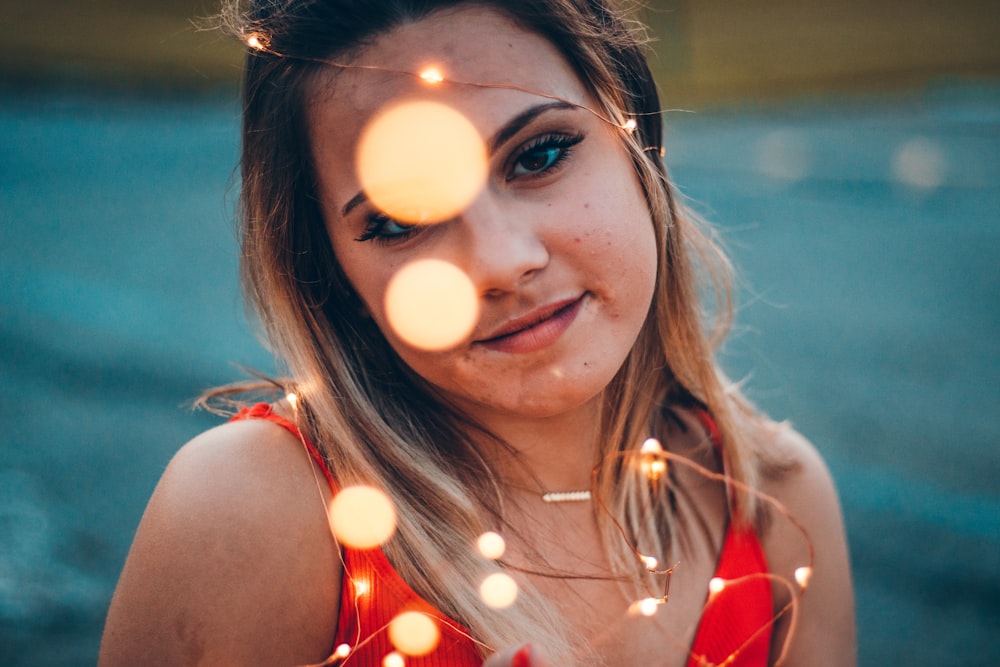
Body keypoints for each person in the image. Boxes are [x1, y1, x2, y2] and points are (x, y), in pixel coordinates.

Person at [99, 1, 856, 665]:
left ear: (636, 140)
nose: (501, 262)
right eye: (401, 220)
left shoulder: (777, 502)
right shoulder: (251, 514)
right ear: (331, 272)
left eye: (540, 154)